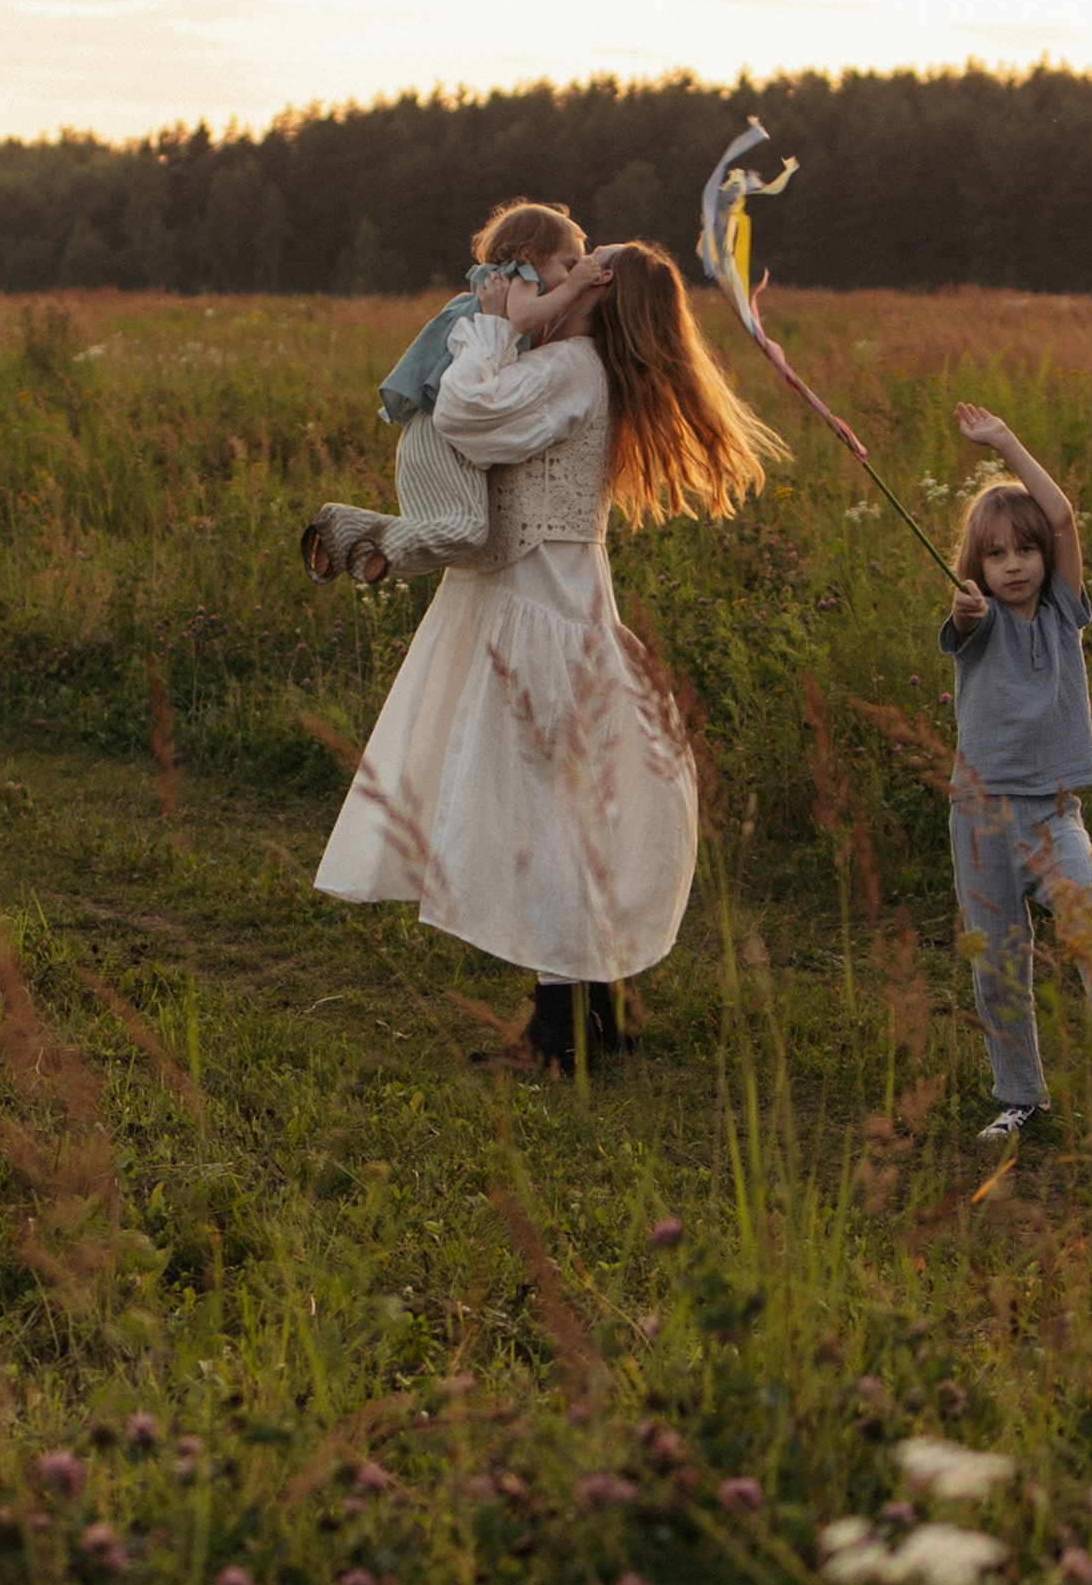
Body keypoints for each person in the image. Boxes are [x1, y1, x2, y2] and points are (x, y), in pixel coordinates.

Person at [313, 241, 779, 1068]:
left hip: (536, 613)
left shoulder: (571, 366)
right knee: (566, 814)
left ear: (597, 285)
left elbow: (467, 414)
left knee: (544, 818)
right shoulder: (583, 368)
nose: (551, 282)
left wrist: (488, 329)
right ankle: (591, 1015)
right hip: (552, 604)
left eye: (576, 266)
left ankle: (563, 1036)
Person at [939, 399, 1092, 1141]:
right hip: (979, 818)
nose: (1013, 566)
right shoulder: (974, 618)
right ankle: (1021, 1098)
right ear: (977, 567)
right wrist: (967, 610)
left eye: (1024, 552)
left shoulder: (1064, 608)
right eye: (997, 555)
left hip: (1053, 810)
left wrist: (1004, 439)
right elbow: (963, 621)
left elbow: (1063, 517)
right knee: (998, 960)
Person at [303, 201, 614, 589]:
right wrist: (576, 284)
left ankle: (360, 543)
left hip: (437, 429)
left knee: (460, 533)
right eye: (568, 263)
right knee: (465, 530)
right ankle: (355, 530)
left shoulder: (506, 285)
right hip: (439, 428)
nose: (572, 273)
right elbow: (524, 318)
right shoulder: (522, 279)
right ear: (531, 255)